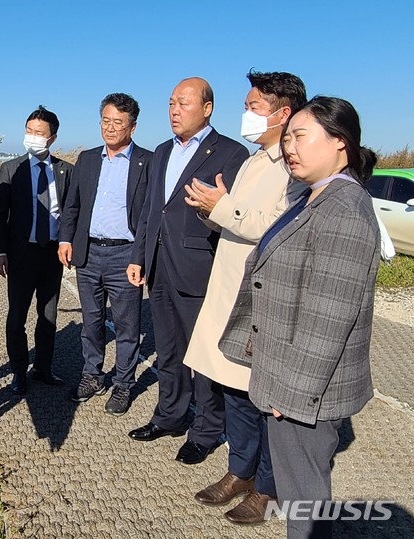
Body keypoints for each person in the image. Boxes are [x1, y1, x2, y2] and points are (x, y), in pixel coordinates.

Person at [219, 96, 380, 539]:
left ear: (340, 143)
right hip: (288, 376)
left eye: (301, 136)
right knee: (299, 496)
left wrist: (292, 393)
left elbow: (330, 316)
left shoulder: (342, 209)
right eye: (287, 137)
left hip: (304, 390)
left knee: (306, 500)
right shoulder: (314, 198)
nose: (290, 147)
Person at [182, 71, 307, 524]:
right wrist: (211, 210)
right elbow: (239, 219)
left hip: (260, 296)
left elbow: (274, 224)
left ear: (283, 112)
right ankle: (241, 470)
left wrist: (223, 207)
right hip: (230, 286)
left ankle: (270, 488)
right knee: (233, 386)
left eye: (254, 106)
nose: (247, 114)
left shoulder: (293, 165)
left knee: (264, 397)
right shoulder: (256, 160)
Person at [126, 78, 249, 464]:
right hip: (159, 266)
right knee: (169, 350)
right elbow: (151, 209)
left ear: (207, 108)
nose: (174, 111)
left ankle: (207, 429)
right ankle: (170, 416)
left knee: (204, 355)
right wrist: (138, 255)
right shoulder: (162, 151)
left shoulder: (230, 153)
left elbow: (231, 213)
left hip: (200, 267)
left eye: (183, 103)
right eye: (170, 103)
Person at [58, 93, 152, 415]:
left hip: (125, 255)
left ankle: (124, 385)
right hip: (88, 253)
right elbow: (73, 204)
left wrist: (140, 256)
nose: (111, 128)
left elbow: (150, 217)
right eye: (106, 121)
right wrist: (65, 239)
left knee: (127, 326)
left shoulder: (147, 162)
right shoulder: (86, 160)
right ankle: (92, 376)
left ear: (133, 127)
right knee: (92, 322)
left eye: (118, 123)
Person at [0, 106, 74, 395]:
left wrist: (69, 243)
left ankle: (43, 368)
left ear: (52, 138)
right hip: (20, 254)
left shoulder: (65, 171)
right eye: (29, 131)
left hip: (52, 254)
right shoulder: (11, 169)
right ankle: (18, 372)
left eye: (40, 133)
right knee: (16, 317)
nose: (33, 137)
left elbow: (71, 213)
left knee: (48, 315)